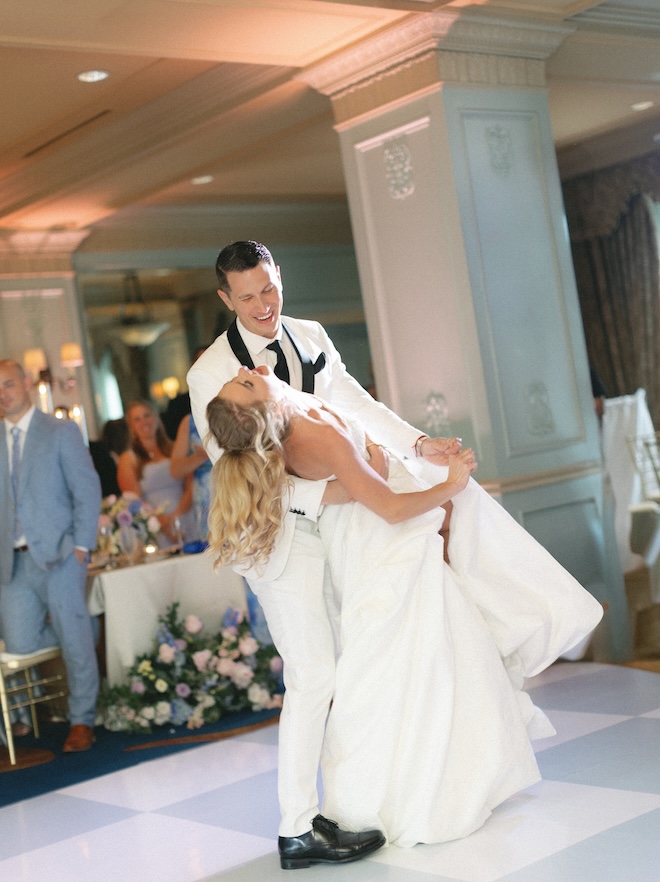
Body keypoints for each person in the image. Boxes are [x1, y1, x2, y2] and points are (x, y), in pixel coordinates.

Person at [205, 366, 603, 847]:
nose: (246, 371)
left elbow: (359, 435)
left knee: (429, 650)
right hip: (375, 539)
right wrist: (449, 486)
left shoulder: (288, 409)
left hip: (366, 533)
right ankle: (372, 804)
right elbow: (388, 507)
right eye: (244, 383)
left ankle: (453, 775)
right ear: (264, 411)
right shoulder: (302, 434)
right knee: (390, 660)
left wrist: (398, 455)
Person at [186, 241, 471, 868]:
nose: (264, 306)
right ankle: (296, 829)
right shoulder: (212, 374)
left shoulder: (310, 333)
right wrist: (345, 492)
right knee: (314, 676)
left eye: (270, 289)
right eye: (248, 296)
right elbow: (241, 468)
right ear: (225, 300)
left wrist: (418, 447)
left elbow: (358, 406)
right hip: (278, 542)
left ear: (278, 278)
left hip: (340, 533)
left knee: (350, 665)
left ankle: (354, 800)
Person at [0, 358, 101, 752]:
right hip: (12, 564)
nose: (3, 394)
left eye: (8, 384)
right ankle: (22, 718)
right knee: (19, 645)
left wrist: (82, 546)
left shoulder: (60, 431)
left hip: (60, 555)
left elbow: (86, 490)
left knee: (74, 642)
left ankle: (82, 720)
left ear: (27, 384)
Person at [117, 399, 196, 545]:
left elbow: (191, 485)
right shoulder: (128, 459)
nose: (144, 422)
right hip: (154, 527)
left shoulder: (175, 449)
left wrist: (176, 517)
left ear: (156, 418)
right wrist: (163, 523)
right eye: (137, 419)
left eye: (147, 415)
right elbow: (134, 498)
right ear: (132, 426)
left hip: (185, 516)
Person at [169, 412, 212, 540]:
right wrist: (200, 457)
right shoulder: (190, 422)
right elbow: (175, 470)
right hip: (206, 497)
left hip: (236, 488)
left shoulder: (236, 407)